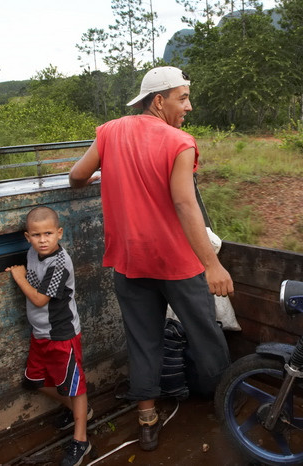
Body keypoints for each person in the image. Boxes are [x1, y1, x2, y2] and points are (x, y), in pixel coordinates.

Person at [68, 66, 233, 451]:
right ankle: (227, 402)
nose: (188, 106)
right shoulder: (179, 141)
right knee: (206, 335)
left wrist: (100, 175)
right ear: (159, 101)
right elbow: (183, 203)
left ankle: (146, 420)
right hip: (176, 263)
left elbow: (76, 176)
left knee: (142, 340)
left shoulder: (109, 132)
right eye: (183, 97)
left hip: (129, 261)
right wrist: (212, 264)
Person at [5, 206, 92, 466]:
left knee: (75, 387)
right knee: (34, 380)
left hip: (62, 334)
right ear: (27, 237)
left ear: (59, 233)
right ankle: (79, 412)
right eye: (36, 235)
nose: (42, 240)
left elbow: (40, 299)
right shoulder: (33, 253)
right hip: (40, 333)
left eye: (48, 233)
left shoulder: (60, 263)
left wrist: (19, 277)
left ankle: (81, 439)